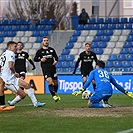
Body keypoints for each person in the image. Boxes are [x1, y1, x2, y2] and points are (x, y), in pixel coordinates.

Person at [0, 41, 46, 107]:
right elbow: (10, 66)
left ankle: (36, 103)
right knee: (23, 95)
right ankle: (12, 103)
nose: (16, 48)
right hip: (9, 80)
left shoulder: (3, 54)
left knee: (27, 85)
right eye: (15, 46)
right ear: (10, 47)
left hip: (11, 77)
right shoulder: (11, 53)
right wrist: (15, 73)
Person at [34, 36, 60, 102]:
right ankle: (54, 96)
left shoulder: (52, 50)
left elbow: (56, 57)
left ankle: (55, 93)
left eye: (47, 40)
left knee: (56, 83)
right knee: (50, 81)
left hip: (53, 68)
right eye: (44, 40)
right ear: (42, 42)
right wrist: (41, 59)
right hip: (45, 69)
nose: (46, 42)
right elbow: (35, 59)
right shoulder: (40, 51)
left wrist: (56, 61)